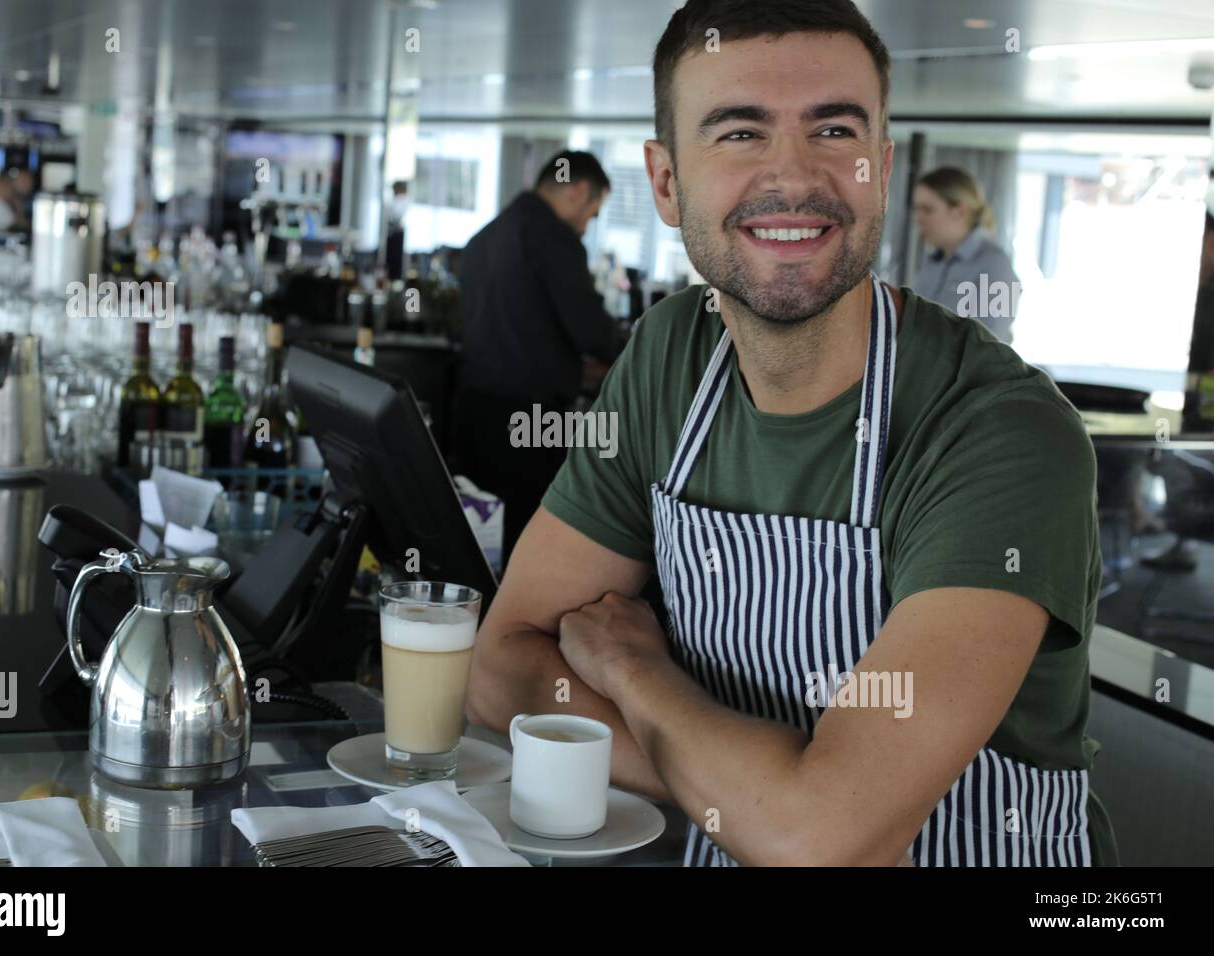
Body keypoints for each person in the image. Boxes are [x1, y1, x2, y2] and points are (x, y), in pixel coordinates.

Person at [467, 0, 1117, 867]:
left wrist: (635, 673)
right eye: (740, 133)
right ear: (666, 183)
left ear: (882, 168)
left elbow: (823, 845)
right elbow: (501, 673)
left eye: (834, 131)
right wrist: (760, 796)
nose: (794, 176)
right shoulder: (669, 355)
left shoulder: (999, 432)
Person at [454, 149, 622, 561]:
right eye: (592, 213)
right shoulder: (553, 237)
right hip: (527, 423)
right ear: (578, 191)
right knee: (526, 544)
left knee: (477, 539)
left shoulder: (486, 236)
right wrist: (642, 352)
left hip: (471, 412)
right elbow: (591, 331)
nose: (586, 226)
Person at [912, 166, 1021, 344]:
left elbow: (990, 345)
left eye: (927, 210)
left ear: (959, 211)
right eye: (916, 209)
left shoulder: (995, 264)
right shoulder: (932, 261)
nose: (918, 219)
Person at [0, 169, 33, 234]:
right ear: (0, 187)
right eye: (8, 188)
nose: (11, 191)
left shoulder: (4, 202)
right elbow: (18, 223)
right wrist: (18, 206)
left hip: (2, 236)